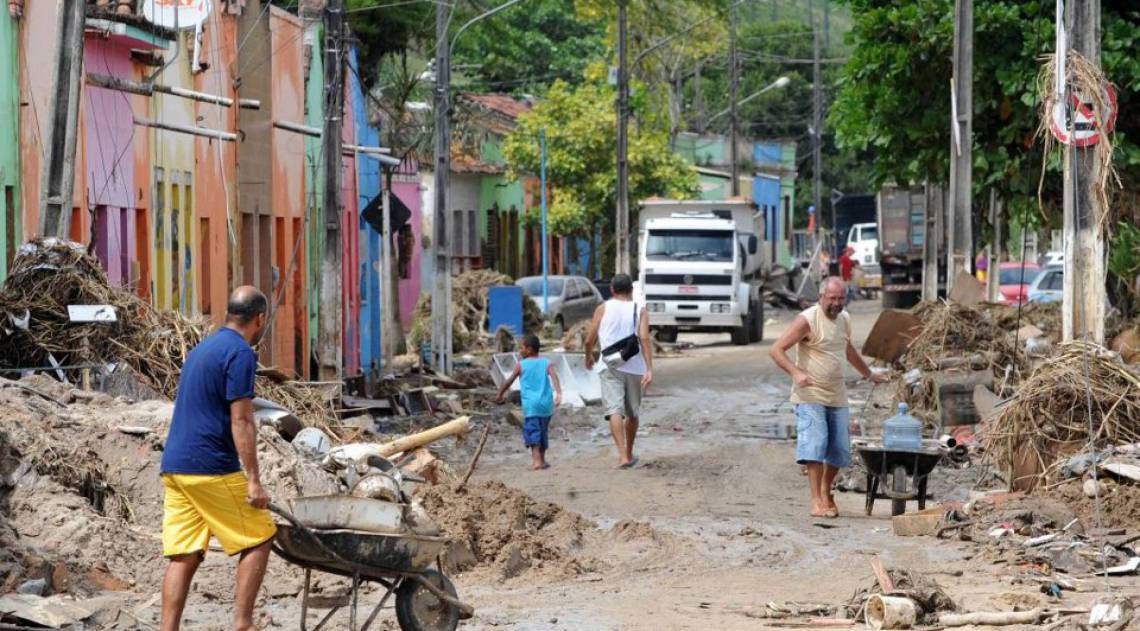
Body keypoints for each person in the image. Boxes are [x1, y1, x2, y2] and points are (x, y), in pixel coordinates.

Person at [160, 286, 275, 631]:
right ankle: (242, 624)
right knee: (261, 535)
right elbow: (241, 419)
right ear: (259, 319)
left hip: (175, 466)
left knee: (185, 553)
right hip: (209, 466)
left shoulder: (201, 350)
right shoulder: (240, 353)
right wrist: (253, 480)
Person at [769, 277, 889, 518]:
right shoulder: (807, 319)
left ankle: (826, 491)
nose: (836, 303)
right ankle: (816, 501)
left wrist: (868, 374)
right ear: (821, 297)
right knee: (815, 445)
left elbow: (846, 349)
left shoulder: (844, 319)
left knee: (839, 449)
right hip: (810, 394)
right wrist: (796, 372)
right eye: (832, 298)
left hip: (837, 394)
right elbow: (776, 349)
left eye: (841, 298)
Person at [584, 273, 654, 469]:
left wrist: (588, 356)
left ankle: (622, 455)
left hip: (609, 365)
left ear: (612, 289)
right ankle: (630, 452)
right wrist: (649, 368)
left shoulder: (602, 308)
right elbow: (644, 339)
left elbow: (589, 339)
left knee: (614, 409)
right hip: (635, 367)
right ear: (631, 290)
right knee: (632, 412)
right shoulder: (640, 310)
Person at [495, 333, 563, 470]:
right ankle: (543, 460)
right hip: (546, 405)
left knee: (532, 431)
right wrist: (559, 393)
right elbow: (555, 377)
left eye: (521, 348)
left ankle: (536, 461)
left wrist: (500, 394)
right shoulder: (546, 362)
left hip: (531, 406)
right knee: (542, 431)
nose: (520, 350)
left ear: (530, 349)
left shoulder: (522, 365)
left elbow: (509, 381)